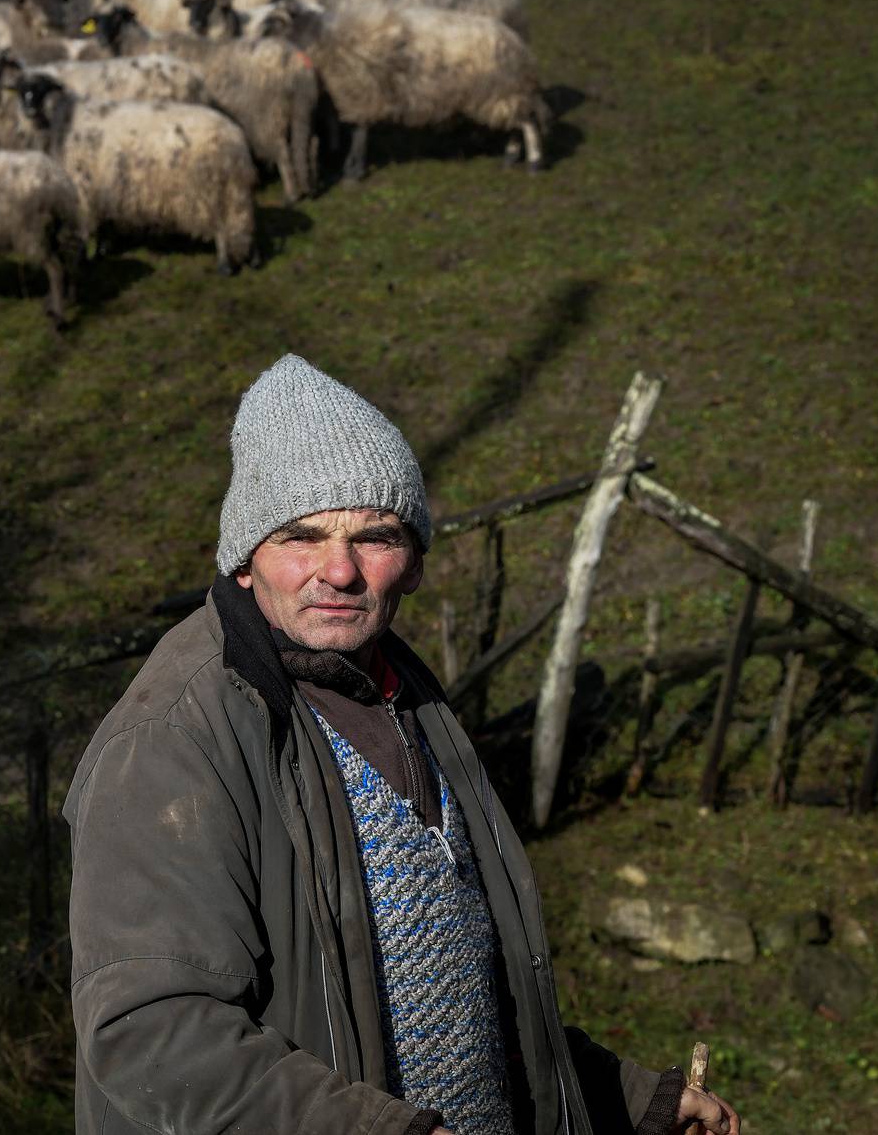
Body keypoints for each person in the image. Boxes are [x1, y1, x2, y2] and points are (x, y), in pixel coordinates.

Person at [63, 356, 741, 1135]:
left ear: (414, 561)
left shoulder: (403, 695)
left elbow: (468, 991)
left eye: (375, 536)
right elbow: (151, 1034)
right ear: (246, 560)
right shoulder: (172, 741)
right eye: (301, 536)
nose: (340, 571)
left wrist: (628, 1100)